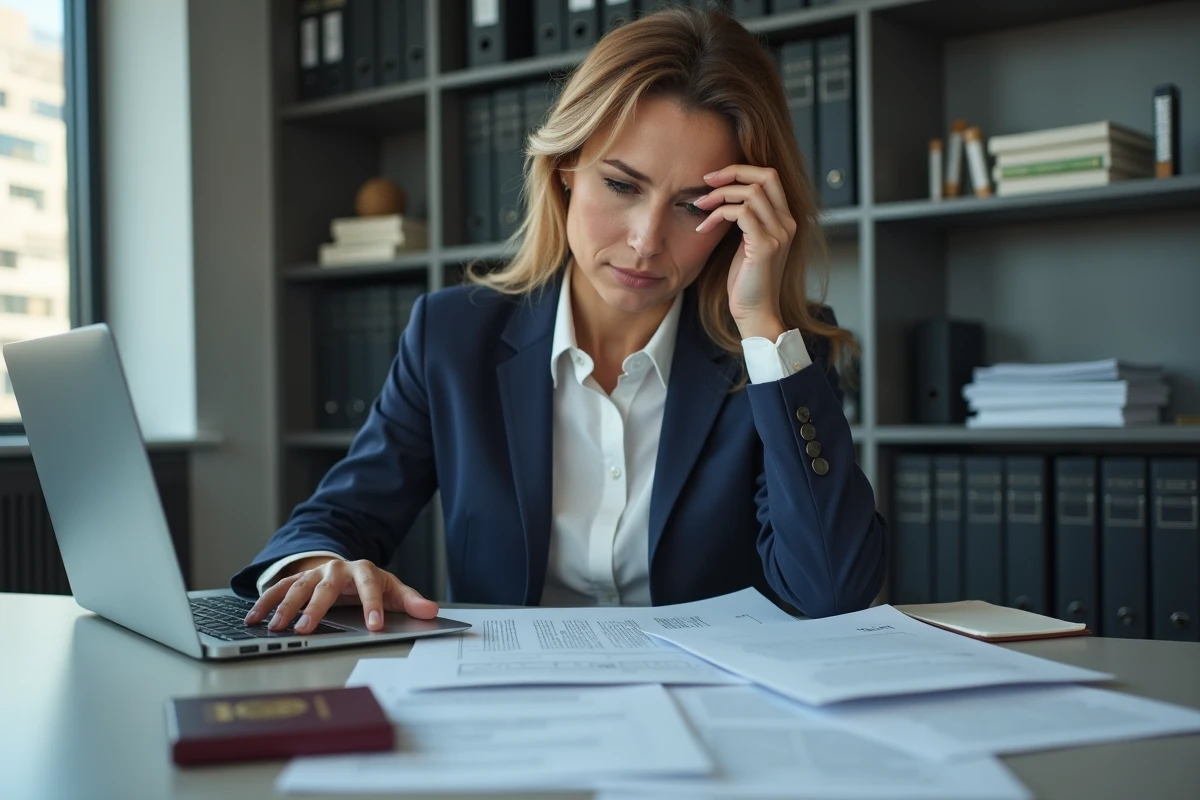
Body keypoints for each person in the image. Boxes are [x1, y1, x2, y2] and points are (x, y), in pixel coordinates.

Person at [233, 6, 887, 635]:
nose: (645, 240)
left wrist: (763, 326)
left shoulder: (777, 355)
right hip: (515, 710)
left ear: (743, 220)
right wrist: (319, 569)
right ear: (566, 167)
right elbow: (338, 517)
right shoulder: (452, 338)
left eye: (694, 206)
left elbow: (832, 589)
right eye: (623, 185)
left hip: (714, 711)